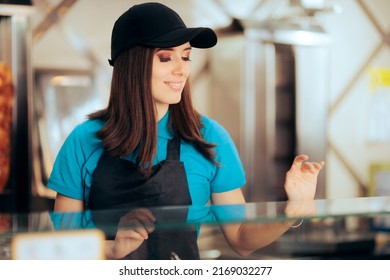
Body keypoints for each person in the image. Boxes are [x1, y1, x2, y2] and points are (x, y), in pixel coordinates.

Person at [47, 2, 325, 260]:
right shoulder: (83, 141)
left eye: (186, 56)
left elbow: (241, 238)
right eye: (166, 58)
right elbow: (63, 250)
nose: (182, 70)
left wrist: (290, 212)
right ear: (132, 65)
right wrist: (112, 250)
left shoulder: (210, 138)